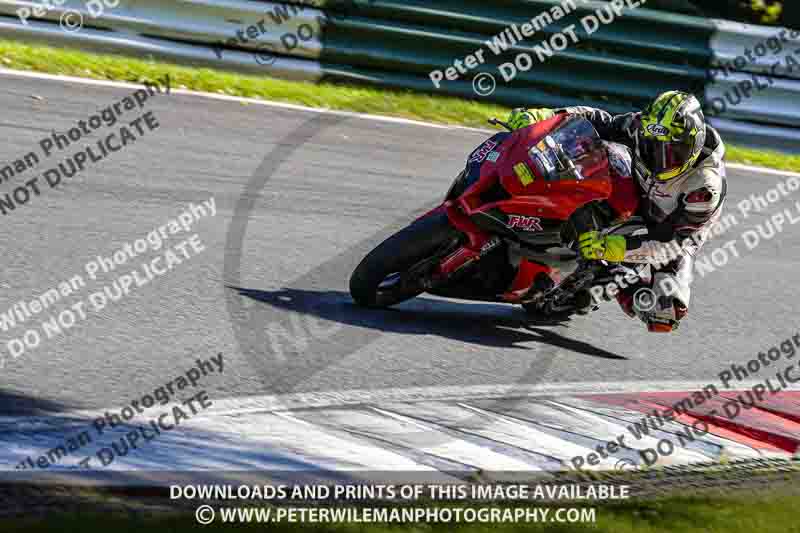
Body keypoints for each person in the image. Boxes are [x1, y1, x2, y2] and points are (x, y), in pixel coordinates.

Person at [506, 91, 727, 332]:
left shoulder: (705, 186)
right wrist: (546, 117)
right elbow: (598, 120)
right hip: (635, 187)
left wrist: (613, 247)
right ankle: (545, 207)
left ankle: (617, 278)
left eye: (673, 153)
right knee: (592, 148)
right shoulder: (639, 125)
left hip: (671, 229)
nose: (662, 160)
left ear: (693, 144)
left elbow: (672, 244)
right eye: (653, 147)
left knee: (665, 309)